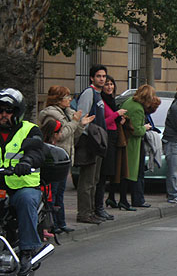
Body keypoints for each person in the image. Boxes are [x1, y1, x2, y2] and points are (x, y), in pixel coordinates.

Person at [0, 88, 46, 275]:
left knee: (26, 200)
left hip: (23, 185)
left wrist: (27, 162)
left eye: (8, 110)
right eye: (0, 110)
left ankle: (27, 250)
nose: (3, 114)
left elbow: (36, 150)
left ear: (17, 112)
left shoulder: (29, 129)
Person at [38, 86, 93, 233]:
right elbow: (60, 135)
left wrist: (81, 124)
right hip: (54, 159)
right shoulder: (50, 115)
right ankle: (52, 224)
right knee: (54, 192)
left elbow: (73, 135)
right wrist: (75, 122)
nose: (69, 100)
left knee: (60, 192)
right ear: (58, 99)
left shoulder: (68, 113)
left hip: (65, 157)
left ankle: (60, 222)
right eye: (66, 97)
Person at [75, 64, 108, 224]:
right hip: (89, 142)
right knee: (87, 181)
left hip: (98, 142)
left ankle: (92, 211)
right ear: (92, 78)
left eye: (104, 76)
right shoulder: (89, 93)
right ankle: (84, 213)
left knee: (94, 180)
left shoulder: (99, 95)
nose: (102, 79)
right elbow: (83, 119)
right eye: (99, 76)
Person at [94, 75, 127, 220]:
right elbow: (103, 121)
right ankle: (98, 207)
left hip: (113, 137)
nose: (109, 87)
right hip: (104, 137)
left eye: (111, 84)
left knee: (109, 173)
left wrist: (120, 119)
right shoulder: (100, 101)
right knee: (102, 175)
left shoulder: (111, 101)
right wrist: (116, 114)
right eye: (106, 84)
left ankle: (104, 203)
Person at [120, 85, 156, 208]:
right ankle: (138, 199)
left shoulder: (129, 102)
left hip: (126, 142)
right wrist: (144, 128)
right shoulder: (138, 109)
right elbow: (135, 130)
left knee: (128, 172)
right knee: (137, 172)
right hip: (133, 144)